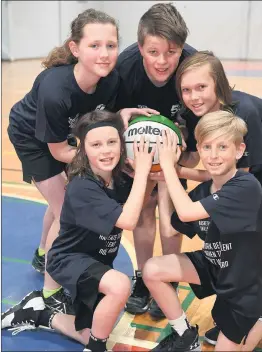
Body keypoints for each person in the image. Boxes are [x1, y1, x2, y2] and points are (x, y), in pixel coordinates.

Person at [6, 8, 156, 314]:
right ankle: (49, 294)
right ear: (75, 49)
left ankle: (42, 252)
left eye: (111, 45)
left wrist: (121, 116)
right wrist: (112, 161)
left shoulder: (110, 80)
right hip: (35, 139)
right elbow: (60, 151)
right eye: (94, 45)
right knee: (66, 209)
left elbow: (101, 120)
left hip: (71, 135)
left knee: (59, 198)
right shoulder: (54, 89)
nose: (105, 54)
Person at [2, 110, 157, 352]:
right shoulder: (82, 186)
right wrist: (143, 174)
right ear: (83, 149)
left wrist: (150, 174)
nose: (105, 150)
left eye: (111, 142)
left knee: (90, 331)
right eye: (96, 144)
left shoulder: (120, 178)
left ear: (122, 144)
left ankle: (40, 315)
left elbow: (140, 205)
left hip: (97, 261)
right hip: (68, 261)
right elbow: (127, 220)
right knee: (119, 287)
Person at [142, 111, 262, 352]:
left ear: (238, 150)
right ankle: (184, 335)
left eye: (222, 147)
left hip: (246, 285)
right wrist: (162, 179)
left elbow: (186, 213)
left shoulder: (246, 187)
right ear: (199, 150)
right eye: (206, 147)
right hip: (214, 265)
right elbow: (171, 230)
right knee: (152, 269)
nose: (213, 155)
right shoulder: (203, 192)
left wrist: (171, 168)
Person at [173, 50, 262, 344]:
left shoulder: (244, 114)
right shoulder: (196, 111)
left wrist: (175, 170)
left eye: (201, 87)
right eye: (186, 90)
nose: (193, 96)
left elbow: (237, 176)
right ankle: (252, 294)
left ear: (219, 84)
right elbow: (195, 156)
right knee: (226, 228)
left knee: (249, 229)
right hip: (239, 166)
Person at [114, 2, 208, 319]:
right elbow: (110, 118)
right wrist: (125, 158)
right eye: (153, 52)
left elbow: (206, 118)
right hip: (135, 155)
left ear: (181, 48)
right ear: (140, 46)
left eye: (171, 52)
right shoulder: (123, 69)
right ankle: (143, 276)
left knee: (170, 216)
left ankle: (167, 278)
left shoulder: (194, 67)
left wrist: (184, 159)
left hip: (175, 152)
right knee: (142, 211)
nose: (163, 61)